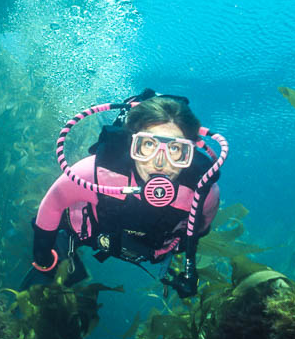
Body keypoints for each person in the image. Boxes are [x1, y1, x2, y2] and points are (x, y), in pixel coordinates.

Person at [22, 90, 226, 298]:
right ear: (131, 145)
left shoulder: (203, 193)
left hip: (153, 249)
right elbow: (54, 202)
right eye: (148, 145)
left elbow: (201, 226)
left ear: (189, 155)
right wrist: (43, 257)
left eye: (175, 149)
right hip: (90, 233)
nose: (160, 163)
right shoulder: (93, 173)